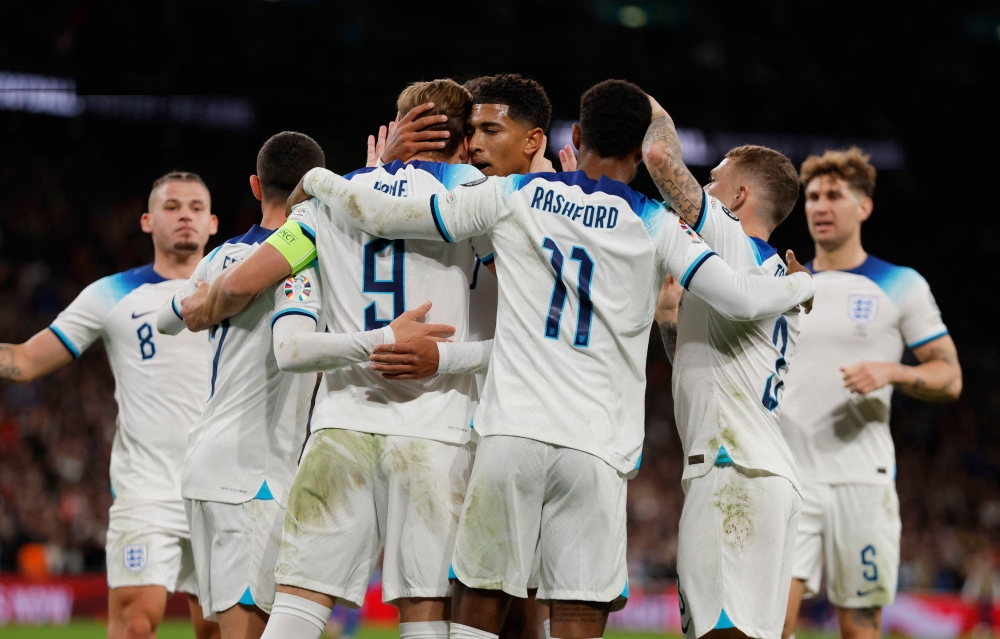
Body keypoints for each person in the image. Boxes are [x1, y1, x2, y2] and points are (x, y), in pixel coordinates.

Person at [288, 78, 815, 639]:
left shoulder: (512, 195)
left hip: (512, 431)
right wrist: (802, 288)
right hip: (597, 446)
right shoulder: (658, 223)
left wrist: (318, 178)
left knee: (482, 595)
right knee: (576, 612)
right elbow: (740, 296)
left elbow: (383, 214)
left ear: (577, 135)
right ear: (638, 154)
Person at [178, 79, 492, 639]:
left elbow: (249, 286)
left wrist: (206, 304)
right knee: (423, 615)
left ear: (399, 128)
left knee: (297, 610)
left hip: (340, 429)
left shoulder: (326, 206)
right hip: (434, 435)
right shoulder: (481, 198)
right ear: (463, 139)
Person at [0, 173, 220, 639]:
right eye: (172, 206)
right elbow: (25, 359)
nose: (185, 215)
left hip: (223, 492)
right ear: (146, 221)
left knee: (219, 632)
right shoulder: (110, 294)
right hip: (144, 494)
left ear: (213, 222)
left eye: (197, 207)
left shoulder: (237, 288)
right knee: (136, 624)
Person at [778, 148, 962, 639]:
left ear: (864, 207)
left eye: (834, 195)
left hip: (862, 480)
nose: (820, 205)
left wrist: (893, 372)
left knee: (861, 628)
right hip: (789, 479)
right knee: (771, 624)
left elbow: (949, 375)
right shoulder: (783, 286)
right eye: (813, 196)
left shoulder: (901, 285)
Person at [645, 120, 807, 637]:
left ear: (739, 196)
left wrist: (637, 102)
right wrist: (670, 320)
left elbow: (661, 161)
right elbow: (709, 366)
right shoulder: (776, 280)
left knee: (720, 633)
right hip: (765, 472)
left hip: (730, 468)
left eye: (713, 180)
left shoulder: (731, 243)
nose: (705, 189)